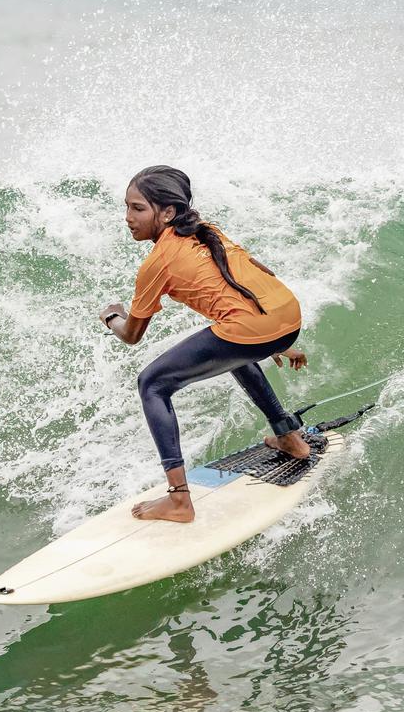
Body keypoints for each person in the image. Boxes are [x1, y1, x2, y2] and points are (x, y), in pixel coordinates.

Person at [99, 165, 311, 523]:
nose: (128, 218)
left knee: (151, 384)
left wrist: (110, 316)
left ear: (167, 212)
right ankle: (289, 436)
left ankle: (179, 500)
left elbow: (132, 335)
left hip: (257, 328)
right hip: (287, 316)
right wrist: (277, 340)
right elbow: (258, 274)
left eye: (137, 208)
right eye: (127, 207)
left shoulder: (158, 262)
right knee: (232, 351)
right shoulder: (208, 232)